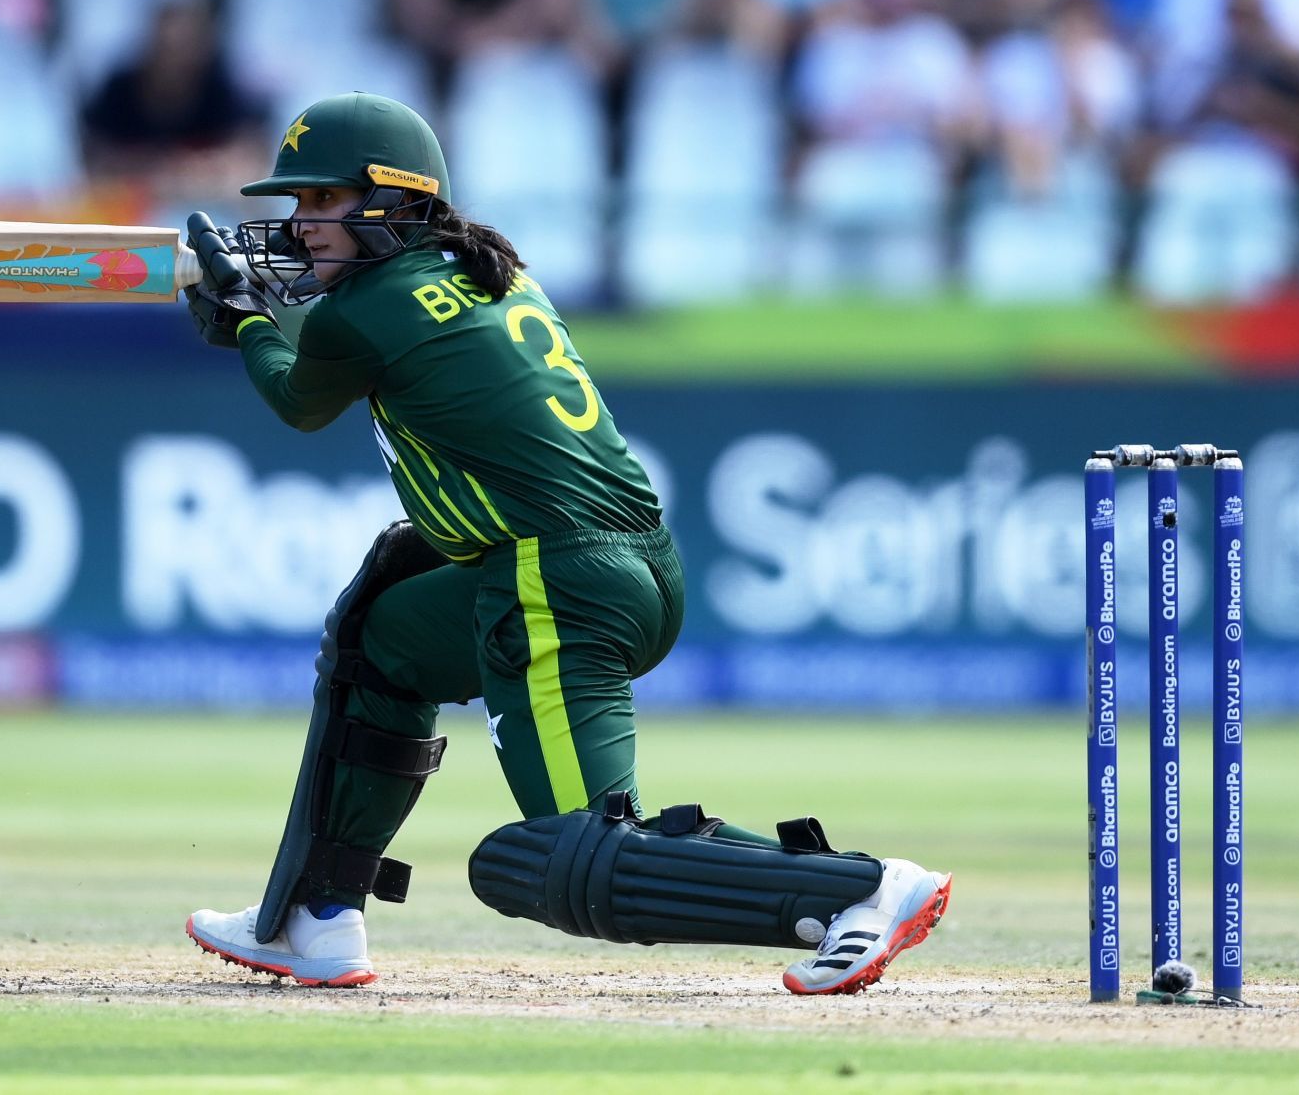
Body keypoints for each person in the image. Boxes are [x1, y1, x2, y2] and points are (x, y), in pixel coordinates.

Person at [178, 91, 951, 995]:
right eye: (297, 205)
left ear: (393, 199)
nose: (303, 226)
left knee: (572, 852)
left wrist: (241, 324)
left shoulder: (369, 309)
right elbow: (372, 345)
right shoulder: (482, 267)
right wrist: (272, 315)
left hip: (557, 579)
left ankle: (859, 890)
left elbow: (299, 398)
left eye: (323, 202)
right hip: (626, 562)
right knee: (382, 634)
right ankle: (314, 916)